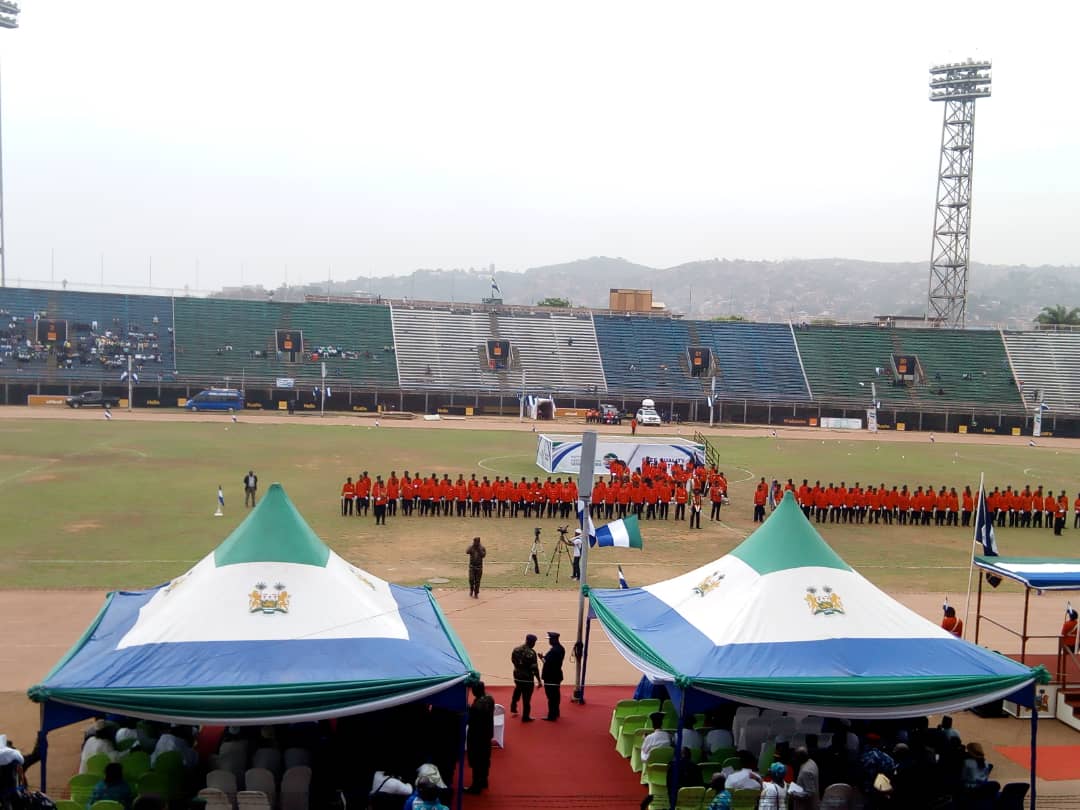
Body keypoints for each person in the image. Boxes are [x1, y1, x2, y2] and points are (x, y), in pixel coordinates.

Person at [465, 682, 495, 794]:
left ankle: (476, 786)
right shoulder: (490, 699)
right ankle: (484, 781)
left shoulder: (476, 706)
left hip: (476, 737)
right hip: (486, 736)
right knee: (485, 759)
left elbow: (469, 720)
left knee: (476, 761)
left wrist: (468, 709)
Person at [510, 633, 542, 721]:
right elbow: (535, 669)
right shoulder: (531, 653)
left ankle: (513, 704)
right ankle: (526, 716)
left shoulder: (516, 649)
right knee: (526, 697)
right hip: (527, 678)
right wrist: (539, 680)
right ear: (532, 642)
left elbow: (513, 660)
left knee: (518, 688)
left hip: (517, 674)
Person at [540, 631, 565, 721]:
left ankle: (552, 715)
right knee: (556, 695)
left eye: (550, 639)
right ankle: (556, 712)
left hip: (550, 676)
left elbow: (547, 663)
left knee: (551, 696)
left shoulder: (553, 651)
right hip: (557, 675)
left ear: (554, 639)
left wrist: (541, 657)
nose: (549, 641)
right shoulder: (561, 648)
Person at [1058, 607, 1078, 681]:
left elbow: (1063, 634)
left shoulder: (1067, 624)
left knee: (1066, 659)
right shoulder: (1077, 624)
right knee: (1073, 658)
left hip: (1067, 643)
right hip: (1075, 643)